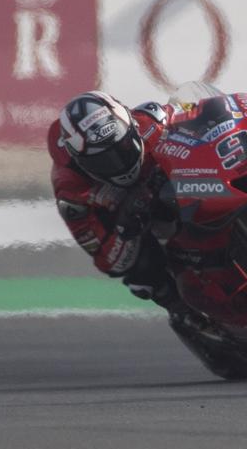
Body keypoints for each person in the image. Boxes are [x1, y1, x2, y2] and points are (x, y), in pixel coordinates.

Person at [48, 91, 190, 316]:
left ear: (130, 124)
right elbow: (110, 262)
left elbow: (205, 113)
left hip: (187, 188)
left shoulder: (152, 119)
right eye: (104, 160)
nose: (119, 163)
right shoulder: (71, 191)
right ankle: (191, 316)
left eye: (123, 147)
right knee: (143, 275)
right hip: (138, 225)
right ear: (81, 163)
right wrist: (126, 225)